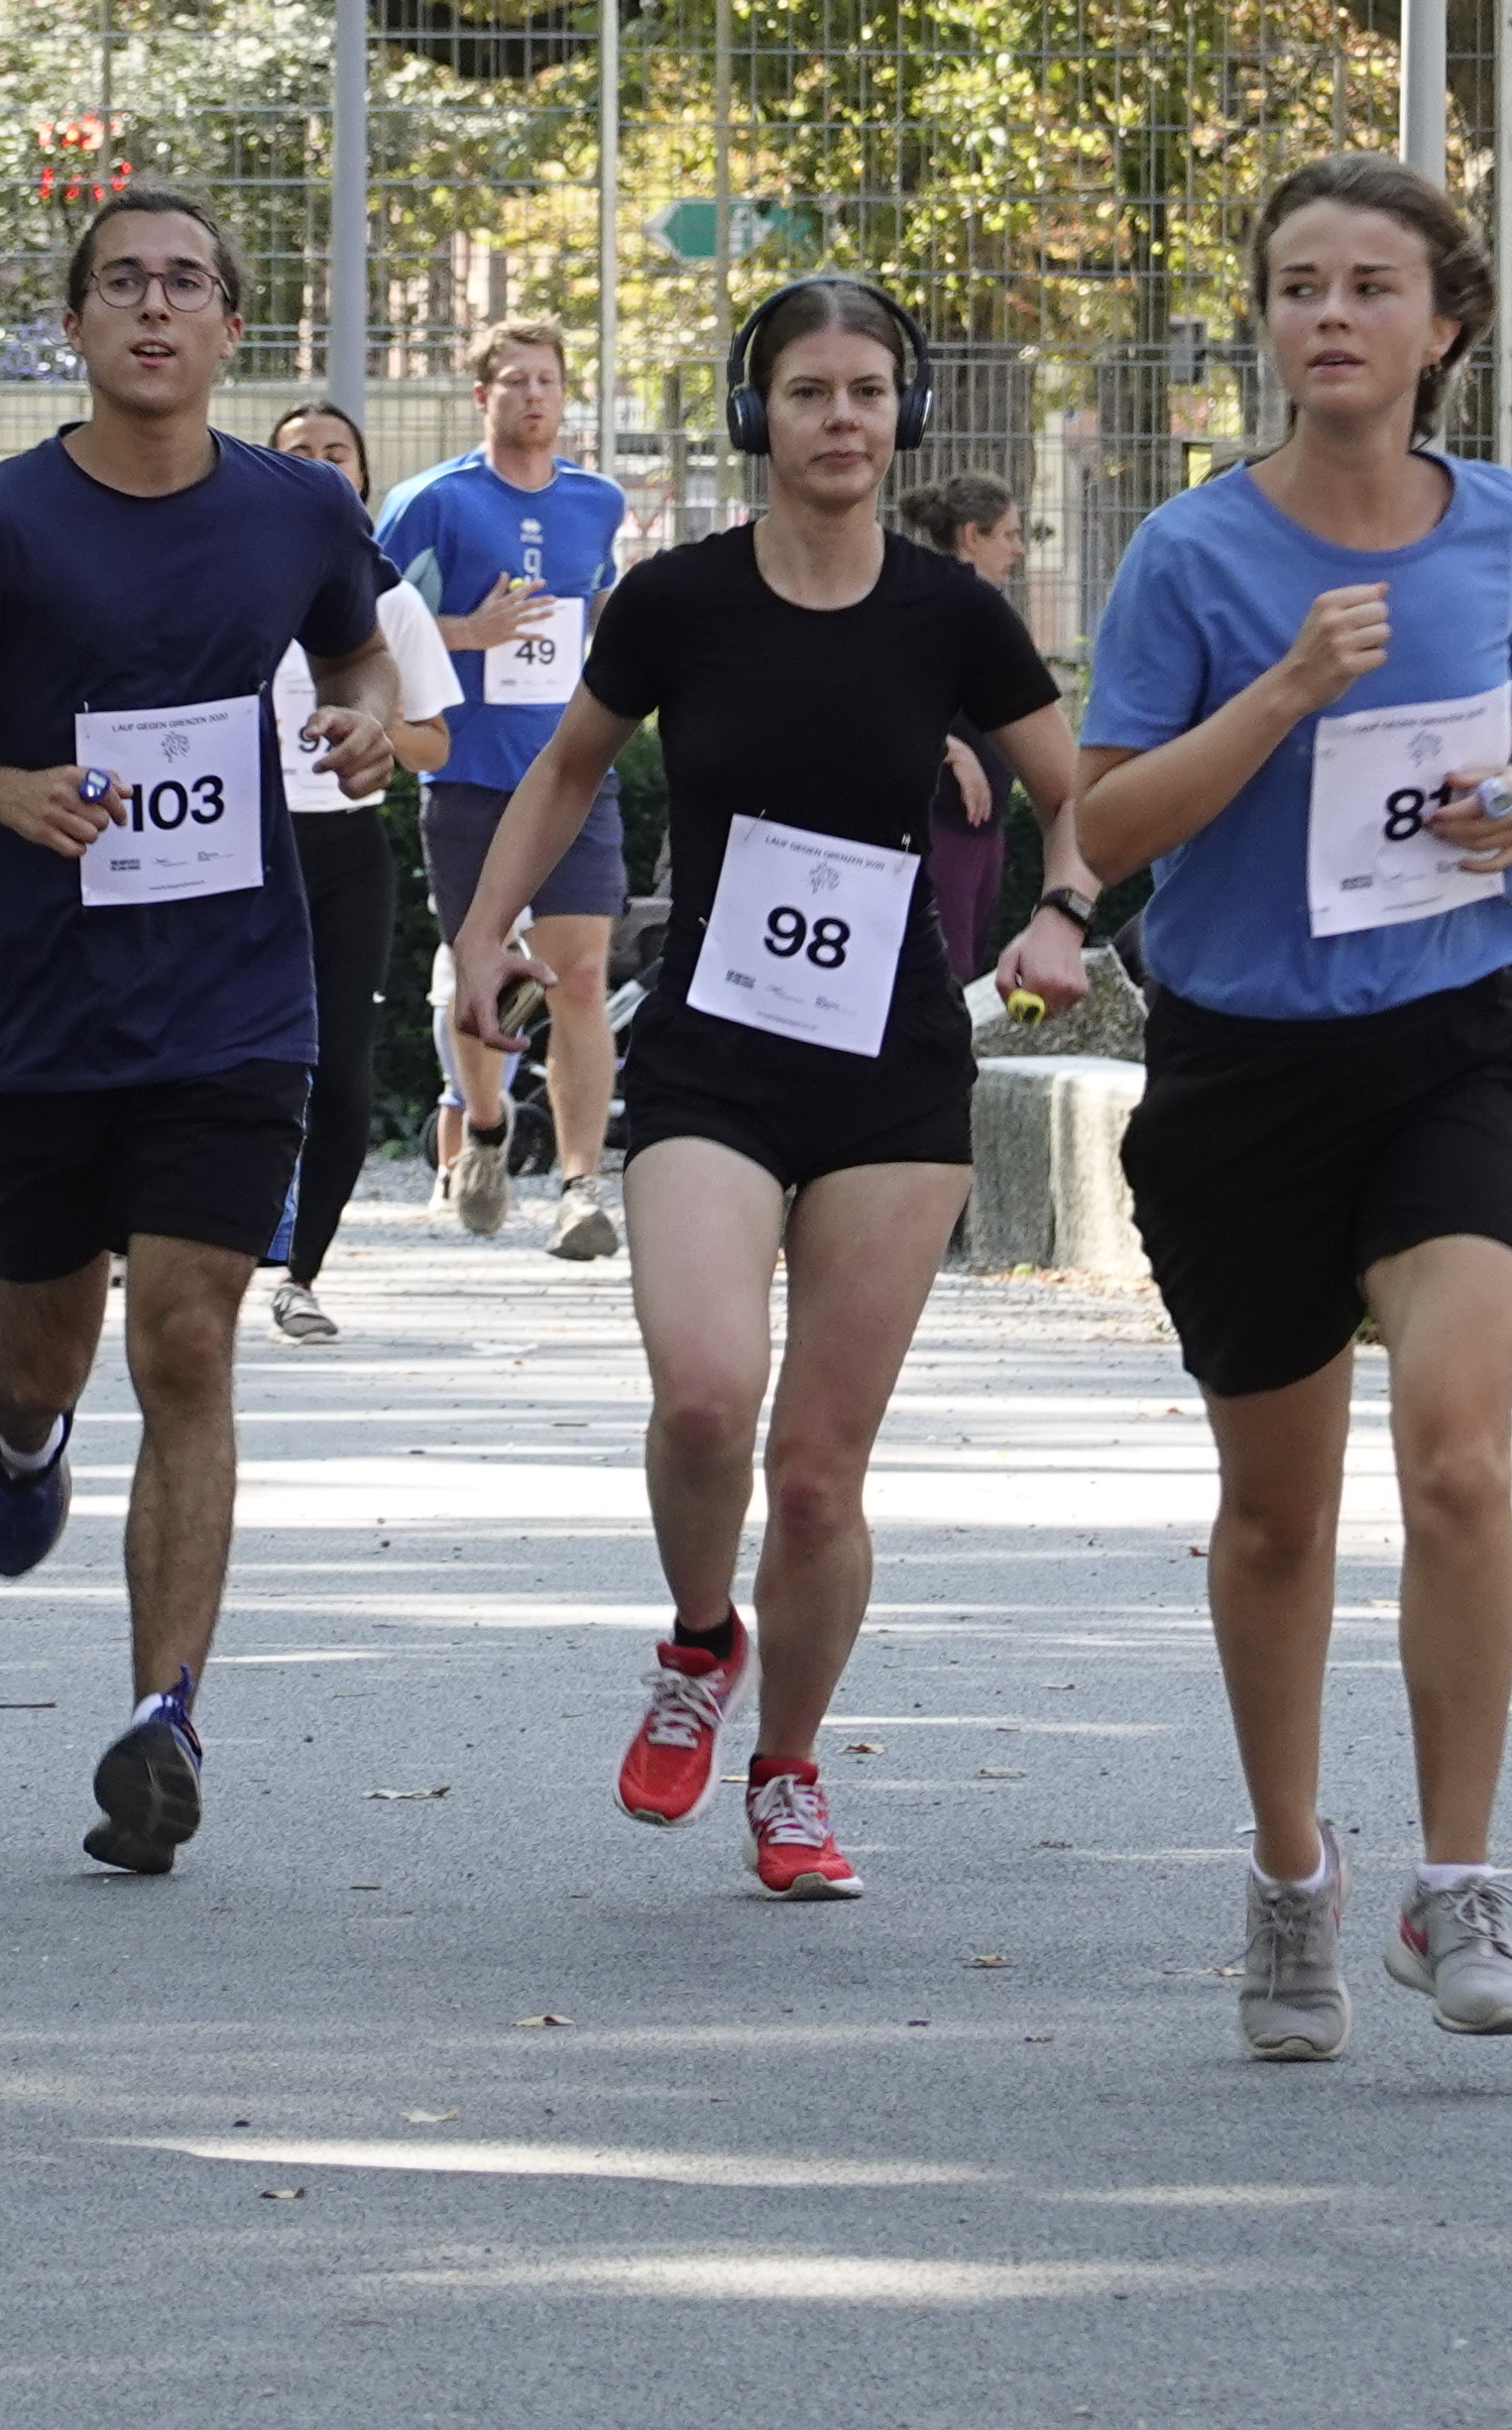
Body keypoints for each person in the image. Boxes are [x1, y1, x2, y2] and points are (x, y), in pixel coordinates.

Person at [450, 283, 1100, 1901]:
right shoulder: (678, 598)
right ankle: (694, 1633)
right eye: (806, 389)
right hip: (716, 1064)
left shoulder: (953, 614)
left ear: (908, 416)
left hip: (890, 1074)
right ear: (756, 415)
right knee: (700, 1393)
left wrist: (1058, 906)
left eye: (868, 391)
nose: (839, 418)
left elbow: (1079, 796)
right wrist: (481, 930)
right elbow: (568, 766)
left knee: (814, 1473)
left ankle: (791, 1767)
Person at [1071, 156, 1512, 2054]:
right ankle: (1295, 1879)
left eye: (1371, 284)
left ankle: (1460, 1879)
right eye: (1298, 285)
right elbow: (1106, 826)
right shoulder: (1194, 555)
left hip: (1457, 1037)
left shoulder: (1498, 516)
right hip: (1245, 1070)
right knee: (1277, 1519)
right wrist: (1281, 690)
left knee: (1457, 1449)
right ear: (1266, 322)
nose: (1331, 315)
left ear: (1443, 325)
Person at [0, 193, 403, 1876]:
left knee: (186, 1339)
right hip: (40, 1015)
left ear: (230, 328)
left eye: (186, 282)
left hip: (235, 1003)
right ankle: (22, 1426)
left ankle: (163, 1717)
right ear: (77, 323)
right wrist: (1, 788)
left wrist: (366, 726)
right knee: (47, 1337)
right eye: (123, 282)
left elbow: (362, 656)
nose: (154, 307)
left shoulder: (299, 509)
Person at [378, 314, 631, 1253]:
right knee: (485, 974)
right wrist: (462, 634)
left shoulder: (598, 499)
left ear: (567, 396)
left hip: (571, 768)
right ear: (482, 397)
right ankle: (484, 1129)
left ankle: (580, 1185)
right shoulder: (433, 500)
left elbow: (599, 600)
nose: (534, 396)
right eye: (515, 381)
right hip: (472, 774)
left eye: (549, 381)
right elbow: (357, 619)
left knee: (581, 977)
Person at [259, 402, 459, 1342]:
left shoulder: (391, 599)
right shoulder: (233, 582)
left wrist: (373, 729)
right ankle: (185, 1239)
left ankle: (300, 1273)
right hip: (238, 847)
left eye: (336, 452)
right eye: (298, 453)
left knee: (338, 1070)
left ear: (364, 479)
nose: (320, 465)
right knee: (221, 1057)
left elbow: (434, 743)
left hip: (344, 850)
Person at [892, 473, 1033, 985]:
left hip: (981, 827)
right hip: (941, 823)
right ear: (972, 536)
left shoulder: (988, 609)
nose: (1018, 550)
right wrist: (952, 751)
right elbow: (884, 698)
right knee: (942, 976)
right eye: (1009, 535)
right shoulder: (932, 604)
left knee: (967, 970)